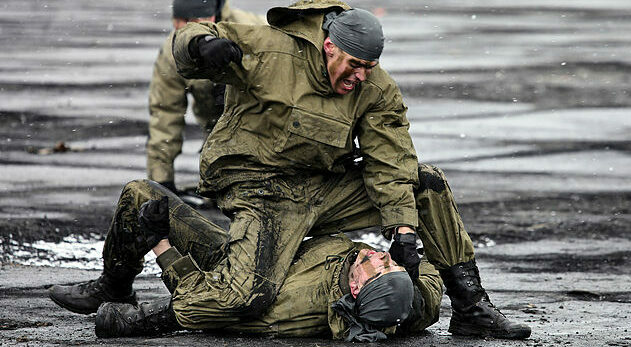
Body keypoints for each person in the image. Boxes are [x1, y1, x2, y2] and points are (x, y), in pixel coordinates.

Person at [51, 0, 531, 340]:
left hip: (323, 188)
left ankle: (472, 309)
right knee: (247, 297)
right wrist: (201, 49)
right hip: (261, 190)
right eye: (355, 64)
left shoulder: (375, 87)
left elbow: (391, 158)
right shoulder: (269, 49)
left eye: (371, 67)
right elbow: (187, 36)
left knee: (424, 180)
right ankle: (112, 285)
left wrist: (403, 228)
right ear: (328, 47)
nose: (361, 75)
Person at [50, 180, 443, 342]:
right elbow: (428, 283)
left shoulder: (295, 299)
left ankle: (114, 290)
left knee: (141, 194)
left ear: (355, 289)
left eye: (378, 265)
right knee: (423, 181)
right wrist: (405, 258)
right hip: (261, 252)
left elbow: (205, 301)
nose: (378, 254)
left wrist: (161, 244)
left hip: (229, 273)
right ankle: (113, 281)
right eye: (387, 262)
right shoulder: (407, 303)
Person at [147, 0, 264, 194]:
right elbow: (164, 114)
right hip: (218, 137)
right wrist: (161, 182)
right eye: (179, 20)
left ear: (212, 16)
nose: (184, 28)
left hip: (264, 129)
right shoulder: (172, 54)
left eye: (192, 21)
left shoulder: (253, 31)